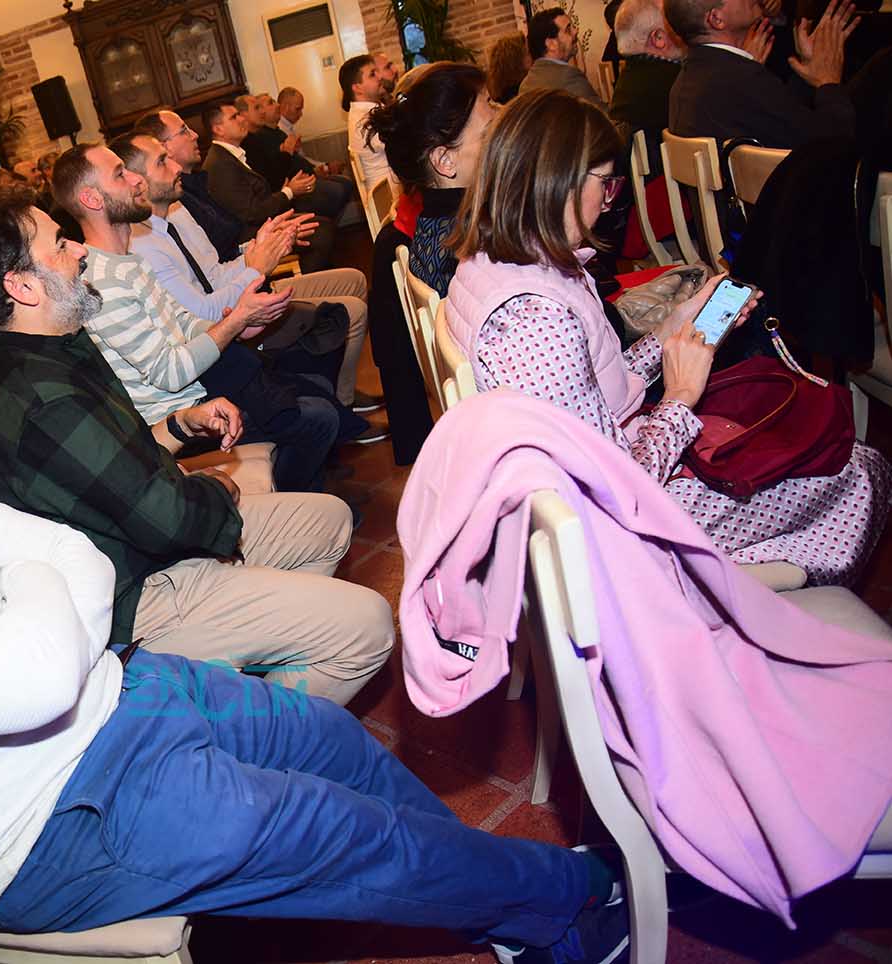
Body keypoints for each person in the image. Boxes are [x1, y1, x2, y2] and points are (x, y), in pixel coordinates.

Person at [0, 280, 631, 964]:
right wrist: (34, 594)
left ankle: (495, 897)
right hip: (51, 825)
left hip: (122, 690)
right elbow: (40, 659)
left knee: (331, 742)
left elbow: (73, 559)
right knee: (334, 830)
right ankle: (568, 897)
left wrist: (35, 602)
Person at [0, 191, 395, 697]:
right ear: (23, 286)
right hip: (130, 594)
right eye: (60, 244)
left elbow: (123, 460)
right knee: (368, 626)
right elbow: (169, 520)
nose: (80, 250)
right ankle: (254, 723)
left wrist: (181, 425)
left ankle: (257, 669)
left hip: (143, 545)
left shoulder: (53, 350)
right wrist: (219, 488)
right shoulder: (43, 396)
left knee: (329, 520)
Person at [444, 88, 890, 585]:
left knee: (805, 448)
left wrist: (672, 328)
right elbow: (616, 494)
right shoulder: (535, 315)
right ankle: (740, 598)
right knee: (858, 471)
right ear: (558, 180)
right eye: (605, 184)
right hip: (622, 540)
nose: (609, 202)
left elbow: (593, 387)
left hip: (594, 497)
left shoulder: (494, 266)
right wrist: (680, 396)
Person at [54, 146, 354, 493]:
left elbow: (182, 321)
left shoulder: (127, 258)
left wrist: (239, 325)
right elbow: (169, 373)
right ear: (91, 199)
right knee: (317, 417)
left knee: (311, 389)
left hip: (200, 389)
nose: (137, 180)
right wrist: (234, 322)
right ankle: (296, 511)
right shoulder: (103, 282)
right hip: (180, 421)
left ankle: (310, 496)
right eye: (121, 174)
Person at [114, 132, 381, 417]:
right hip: (226, 332)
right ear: (135, 180)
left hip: (239, 301)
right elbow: (205, 314)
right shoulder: (142, 246)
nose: (176, 166)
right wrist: (256, 267)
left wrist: (259, 248)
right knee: (350, 312)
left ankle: (340, 394)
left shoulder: (177, 211)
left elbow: (215, 273)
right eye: (162, 161)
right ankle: (343, 406)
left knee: (354, 280)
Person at [365, 63, 497, 467]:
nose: (504, 132)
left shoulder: (441, 223)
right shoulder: (477, 243)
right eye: (490, 131)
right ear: (444, 160)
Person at [666, 0, 858, 148]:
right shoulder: (741, 79)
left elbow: (787, 120)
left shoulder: (689, 78)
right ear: (717, 19)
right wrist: (829, 80)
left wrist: (808, 71)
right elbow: (833, 144)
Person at [200, 100, 337, 274]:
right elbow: (251, 213)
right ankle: (306, 285)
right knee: (322, 232)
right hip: (250, 236)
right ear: (218, 129)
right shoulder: (220, 164)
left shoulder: (228, 155)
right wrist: (288, 192)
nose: (242, 119)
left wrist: (286, 192)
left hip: (262, 223)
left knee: (322, 224)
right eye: (234, 117)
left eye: (239, 114)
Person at [138, 109, 246, 263]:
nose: (195, 135)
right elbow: (215, 259)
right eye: (184, 131)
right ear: (164, 148)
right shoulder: (173, 198)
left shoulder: (196, 182)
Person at [241, 93, 355, 220]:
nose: (262, 111)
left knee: (345, 184)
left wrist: (313, 169)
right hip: (288, 194)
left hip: (297, 184)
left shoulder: (272, 133)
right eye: (257, 108)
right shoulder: (255, 140)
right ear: (243, 116)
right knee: (338, 190)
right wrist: (287, 152)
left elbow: (290, 162)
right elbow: (275, 176)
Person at [609, 0, 686, 175]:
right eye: (674, 24)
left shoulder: (629, 78)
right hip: (667, 187)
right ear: (658, 38)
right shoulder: (676, 83)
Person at [522, 8, 607, 105]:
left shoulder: (526, 83)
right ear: (551, 44)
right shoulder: (568, 77)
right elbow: (601, 113)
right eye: (568, 30)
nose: (575, 31)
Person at [340, 54, 393, 189]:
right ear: (357, 88)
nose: (380, 77)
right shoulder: (364, 120)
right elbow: (400, 143)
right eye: (372, 74)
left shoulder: (367, 111)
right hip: (390, 190)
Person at [486, 32, 533, 102]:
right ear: (515, 60)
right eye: (528, 52)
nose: (532, 56)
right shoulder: (522, 92)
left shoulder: (501, 91)